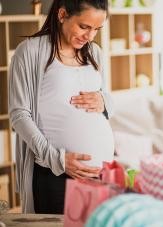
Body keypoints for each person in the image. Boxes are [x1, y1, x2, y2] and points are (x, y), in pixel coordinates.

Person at [8, 0, 114, 214]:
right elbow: (19, 115)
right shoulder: (29, 52)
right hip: (55, 173)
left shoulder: (94, 52)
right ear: (62, 14)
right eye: (84, 27)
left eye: (96, 29)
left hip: (99, 173)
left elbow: (107, 100)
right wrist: (57, 159)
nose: (90, 36)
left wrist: (104, 101)